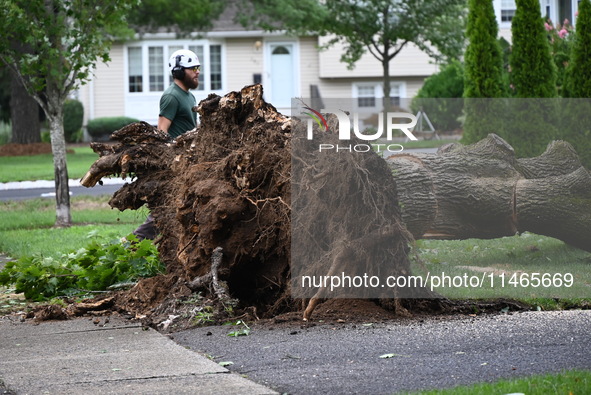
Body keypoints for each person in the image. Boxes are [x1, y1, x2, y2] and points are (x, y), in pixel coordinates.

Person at [132, 49, 201, 241]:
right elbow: (161, 133)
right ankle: (129, 246)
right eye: (193, 68)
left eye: (198, 68)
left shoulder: (189, 96)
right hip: (176, 164)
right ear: (179, 71)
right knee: (164, 212)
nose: (197, 72)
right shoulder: (172, 96)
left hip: (189, 162)